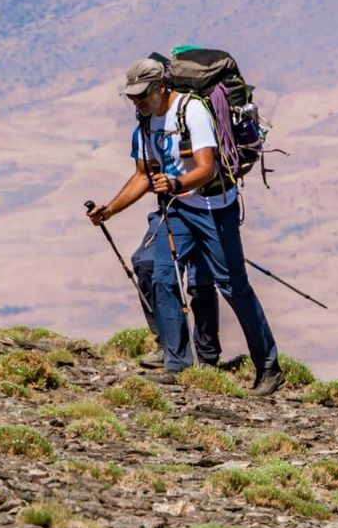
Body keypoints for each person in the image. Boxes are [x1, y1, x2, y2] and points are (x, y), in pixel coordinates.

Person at [88, 57, 284, 396]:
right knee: (161, 275)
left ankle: (269, 367)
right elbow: (142, 176)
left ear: (160, 88)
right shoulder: (146, 121)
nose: (136, 101)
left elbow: (206, 168)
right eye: (132, 96)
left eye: (142, 94)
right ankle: (177, 365)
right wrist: (110, 211)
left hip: (213, 210)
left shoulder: (190, 111)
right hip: (177, 210)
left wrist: (177, 184)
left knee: (233, 286)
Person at [130, 211, 220, 368]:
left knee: (200, 280)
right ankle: (169, 345)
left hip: (206, 211)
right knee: (146, 264)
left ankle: (205, 354)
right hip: (168, 212)